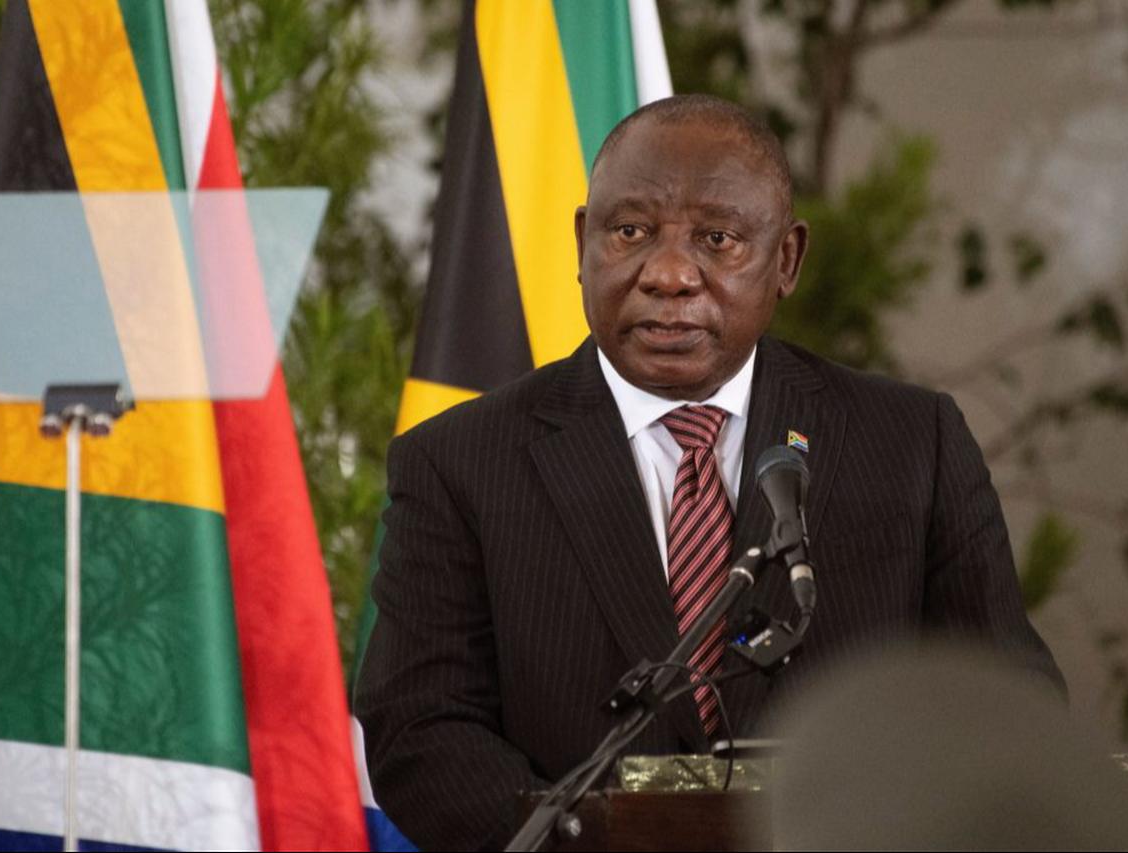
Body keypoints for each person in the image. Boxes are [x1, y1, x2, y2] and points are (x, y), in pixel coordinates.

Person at [355, 94, 1064, 851]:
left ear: (785, 260)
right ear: (582, 242)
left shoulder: (911, 445)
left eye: (716, 239)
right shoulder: (459, 461)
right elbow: (420, 728)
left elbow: (1010, 708)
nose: (667, 274)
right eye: (630, 232)